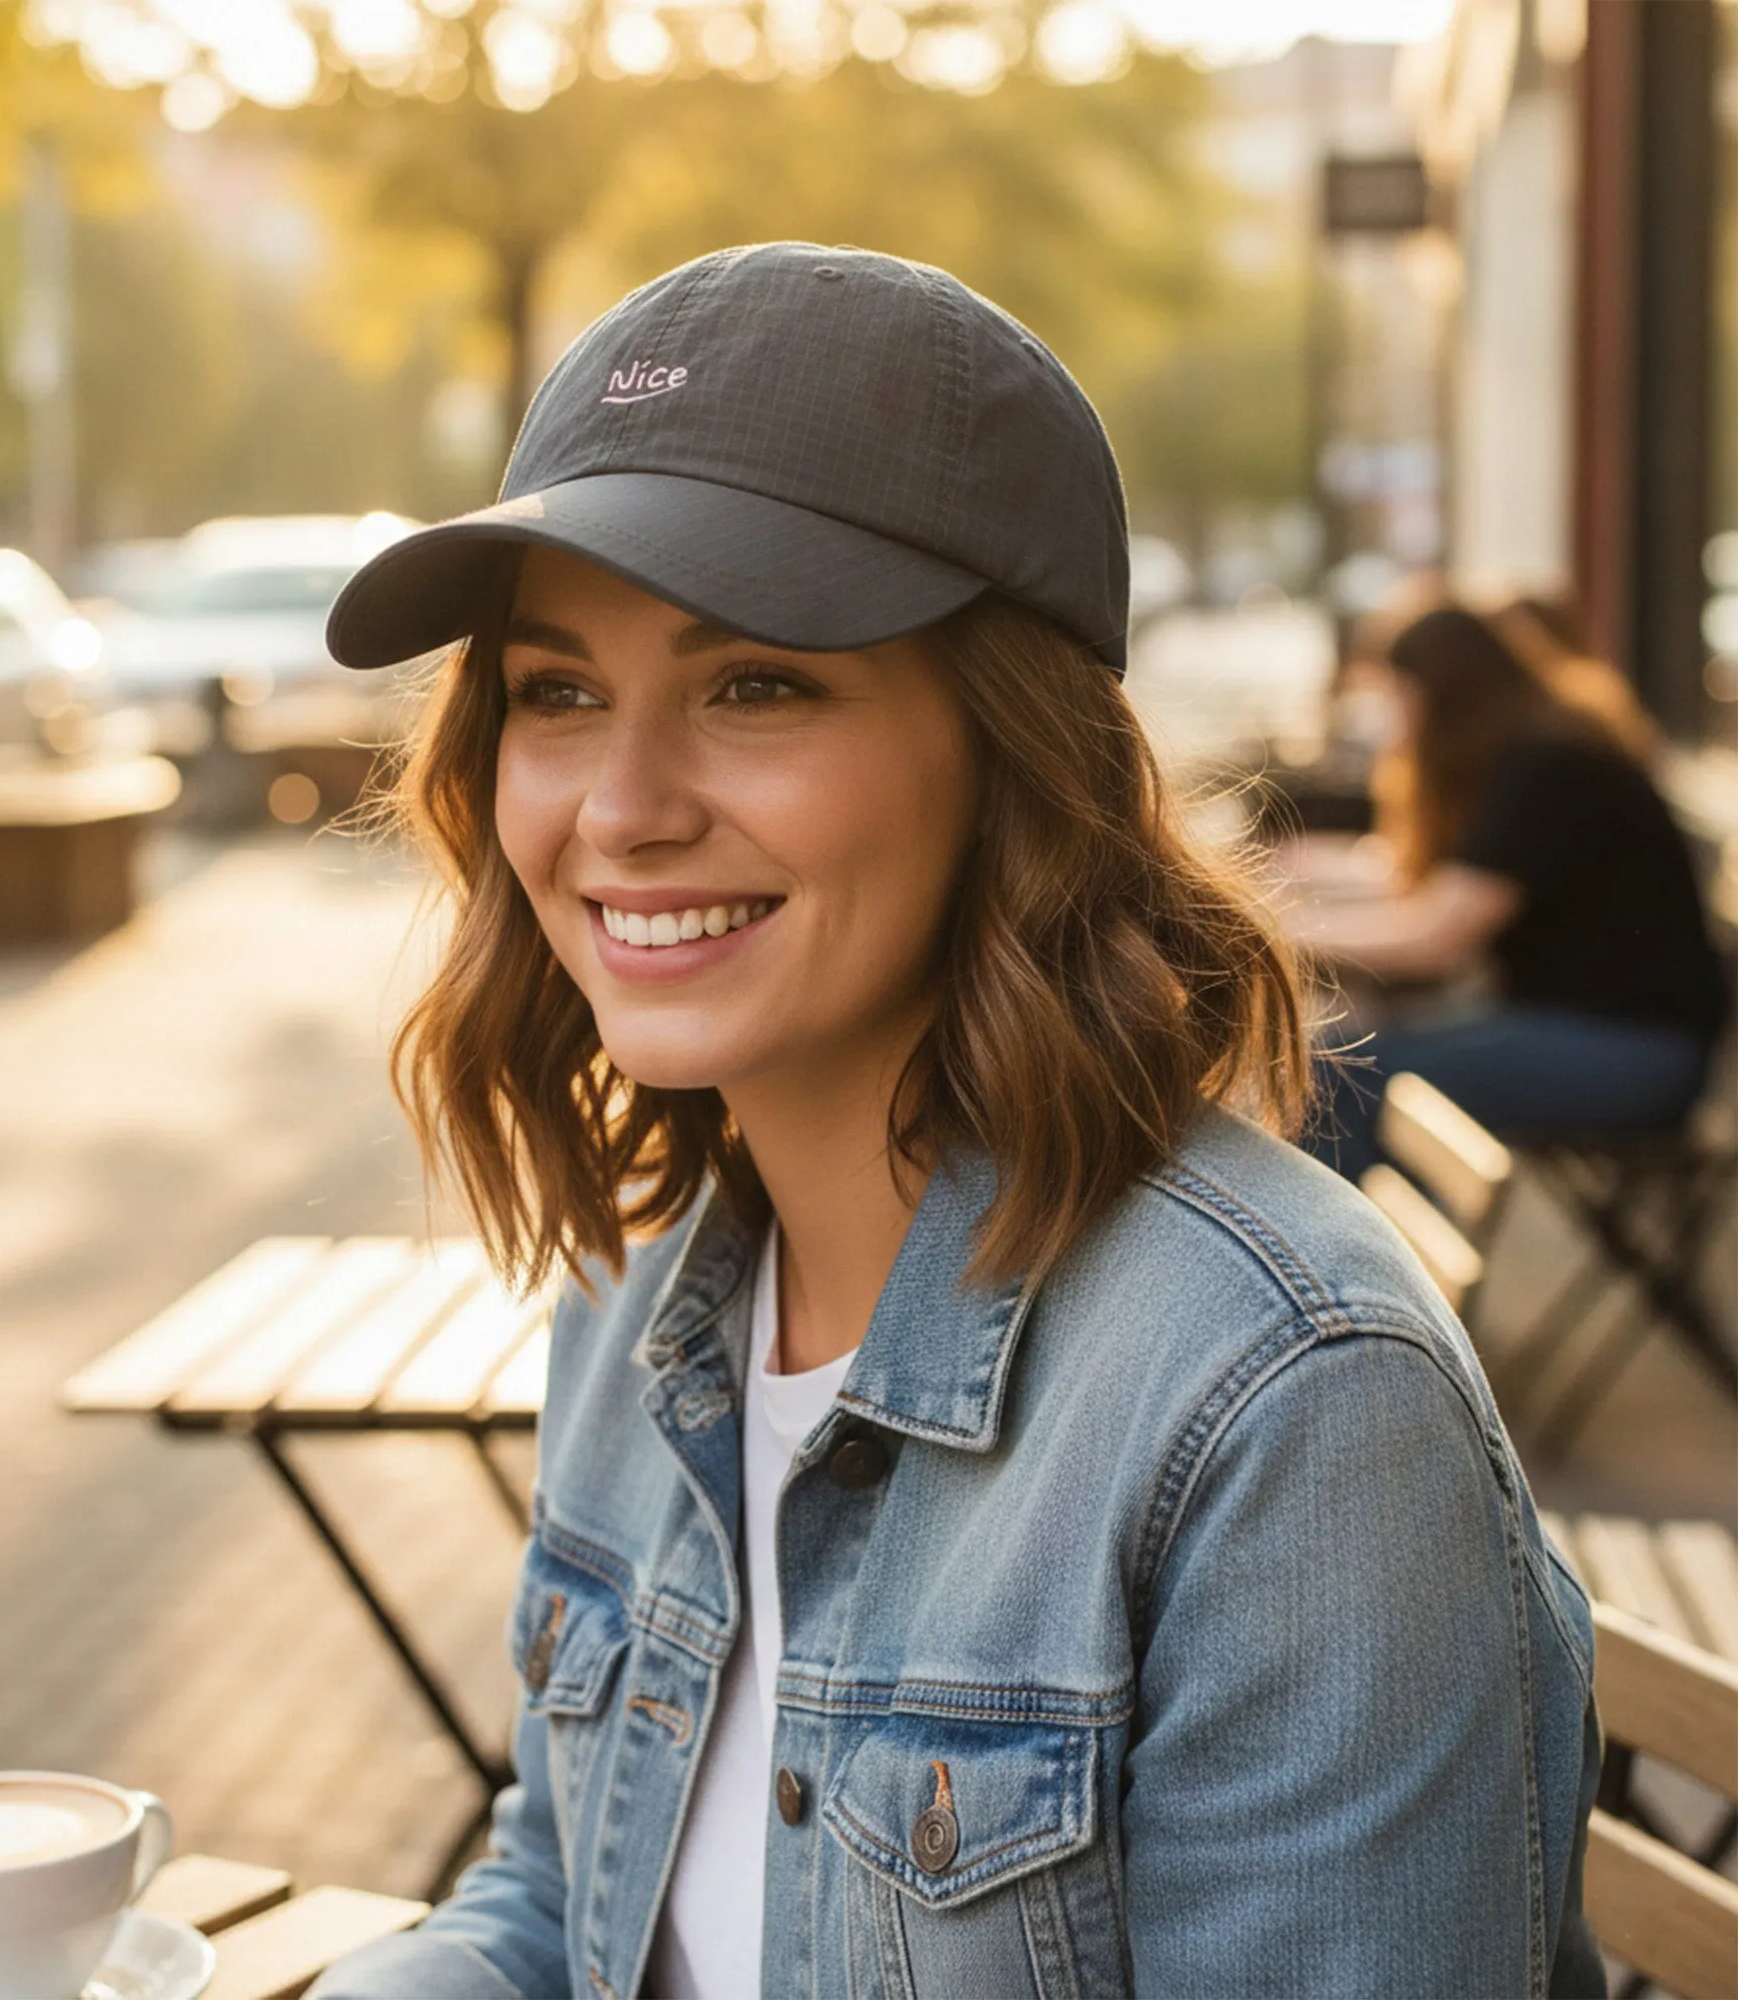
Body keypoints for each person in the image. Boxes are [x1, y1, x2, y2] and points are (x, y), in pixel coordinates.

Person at [309, 245, 1602, 2000]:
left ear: (1012, 756)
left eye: (755, 684)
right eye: (558, 693)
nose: (619, 807)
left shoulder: (1291, 1408)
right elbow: (556, 1894)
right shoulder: (643, 1291)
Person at [1285, 602, 1727, 1184]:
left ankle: (1339, 1267)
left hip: (1637, 1056)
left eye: (1398, 694)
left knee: (1343, 1068)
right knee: (1353, 1055)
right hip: (1615, 1037)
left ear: (1439, 693)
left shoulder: (1547, 767)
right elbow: (1433, 889)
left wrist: (1278, 930)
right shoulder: (1539, 747)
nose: (1393, 719)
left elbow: (1435, 938)